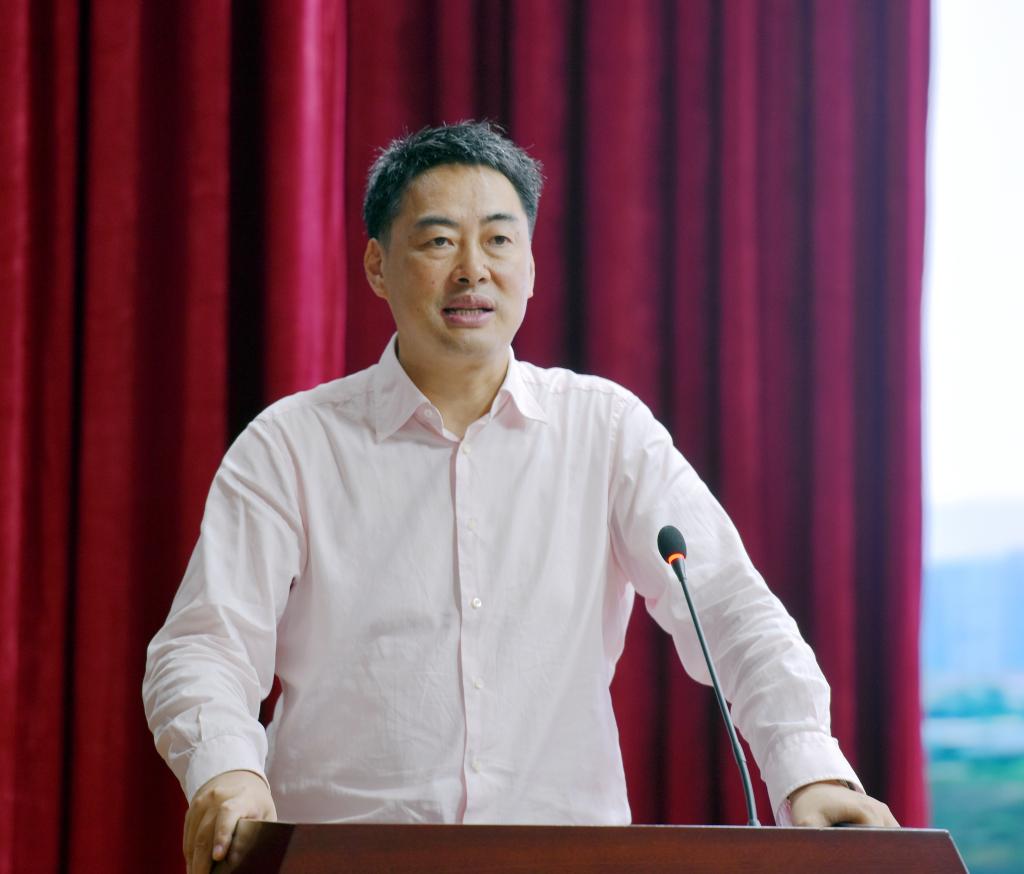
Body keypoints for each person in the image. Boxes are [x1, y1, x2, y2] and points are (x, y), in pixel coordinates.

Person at [143, 121, 897, 874]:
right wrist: (228, 771)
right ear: (377, 266)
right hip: (340, 857)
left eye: (499, 241)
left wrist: (809, 770)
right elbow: (206, 643)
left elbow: (730, 609)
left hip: (569, 860)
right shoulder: (290, 445)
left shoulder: (606, 430)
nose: (473, 270)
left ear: (531, 268)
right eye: (439, 241)